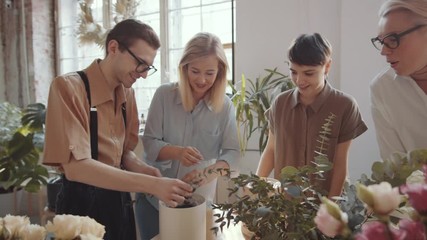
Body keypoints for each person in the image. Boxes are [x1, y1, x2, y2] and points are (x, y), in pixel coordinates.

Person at [42, 19, 193, 240]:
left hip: (119, 203)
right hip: (80, 208)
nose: (142, 74)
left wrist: (144, 170)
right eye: (140, 63)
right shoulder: (68, 88)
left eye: (148, 68)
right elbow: (76, 167)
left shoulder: (127, 94)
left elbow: (122, 154)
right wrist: (152, 184)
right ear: (113, 48)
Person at [134, 32, 240, 240]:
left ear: (220, 72)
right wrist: (176, 152)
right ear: (184, 68)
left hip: (197, 202)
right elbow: (149, 142)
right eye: (195, 71)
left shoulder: (225, 106)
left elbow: (233, 152)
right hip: (154, 200)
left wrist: (209, 172)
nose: (201, 80)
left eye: (209, 73)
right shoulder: (164, 95)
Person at [256, 33, 368, 198]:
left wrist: (331, 208)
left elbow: (340, 163)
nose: (299, 80)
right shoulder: (280, 104)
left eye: (309, 73)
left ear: (327, 66)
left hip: (326, 200)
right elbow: (271, 150)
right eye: (293, 72)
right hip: (286, 204)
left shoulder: (344, 105)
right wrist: (255, 188)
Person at [370, 0, 427, 160]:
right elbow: (394, 168)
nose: (383, 51)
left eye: (393, 39)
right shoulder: (383, 88)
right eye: (381, 41)